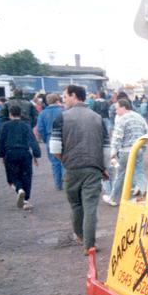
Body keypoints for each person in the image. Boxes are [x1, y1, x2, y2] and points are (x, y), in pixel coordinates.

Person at [50, 85, 110, 255]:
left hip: (72, 168)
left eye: (65, 96)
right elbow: (106, 147)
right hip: (93, 169)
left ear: (74, 96)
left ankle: (80, 235)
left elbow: (55, 148)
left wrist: (66, 161)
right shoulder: (98, 118)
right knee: (90, 206)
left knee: (76, 205)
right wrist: (103, 168)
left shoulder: (62, 117)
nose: (64, 99)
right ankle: (89, 245)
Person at [103, 98, 148, 206]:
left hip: (126, 151)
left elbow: (117, 137)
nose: (116, 111)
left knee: (120, 175)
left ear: (123, 107)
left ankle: (113, 198)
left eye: (117, 109)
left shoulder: (122, 119)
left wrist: (113, 152)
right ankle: (141, 194)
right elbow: (146, 131)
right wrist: (143, 147)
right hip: (139, 149)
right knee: (139, 173)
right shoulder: (139, 117)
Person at [0, 104, 42, 210]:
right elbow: (32, 140)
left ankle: (19, 189)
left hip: (10, 153)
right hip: (25, 153)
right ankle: (26, 200)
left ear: (10, 114)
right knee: (26, 176)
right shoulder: (26, 125)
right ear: (20, 114)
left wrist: (1, 154)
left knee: (12, 176)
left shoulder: (5, 126)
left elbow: (1, 141)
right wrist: (36, 154)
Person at [36, 93, 65, 190]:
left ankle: (58, 184)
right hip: (63, 137)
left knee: (54, 162)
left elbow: (40, 128)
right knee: (65, 160)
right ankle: (66, 181)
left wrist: (45, 139)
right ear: (57, 100)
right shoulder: (63, 111)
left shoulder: (42, 113)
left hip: (50, 137)